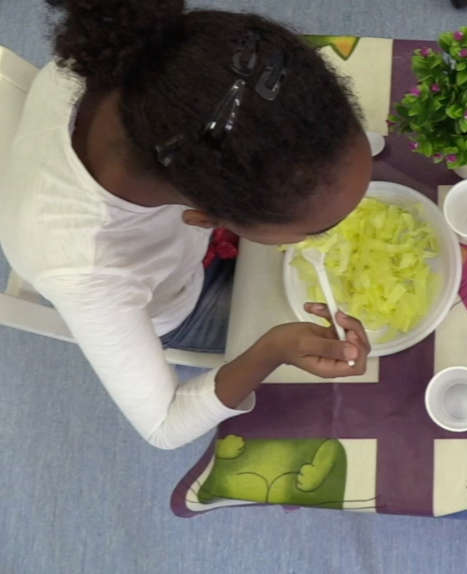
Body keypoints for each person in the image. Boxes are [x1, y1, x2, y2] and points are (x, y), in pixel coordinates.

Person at [0, 0, 373, 450]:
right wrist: (273, 348)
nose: (328, 234)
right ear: (205, 219)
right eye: (315, 231)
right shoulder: (85, 267)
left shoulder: (139, 63)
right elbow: (165, 426)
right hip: (176, 300)